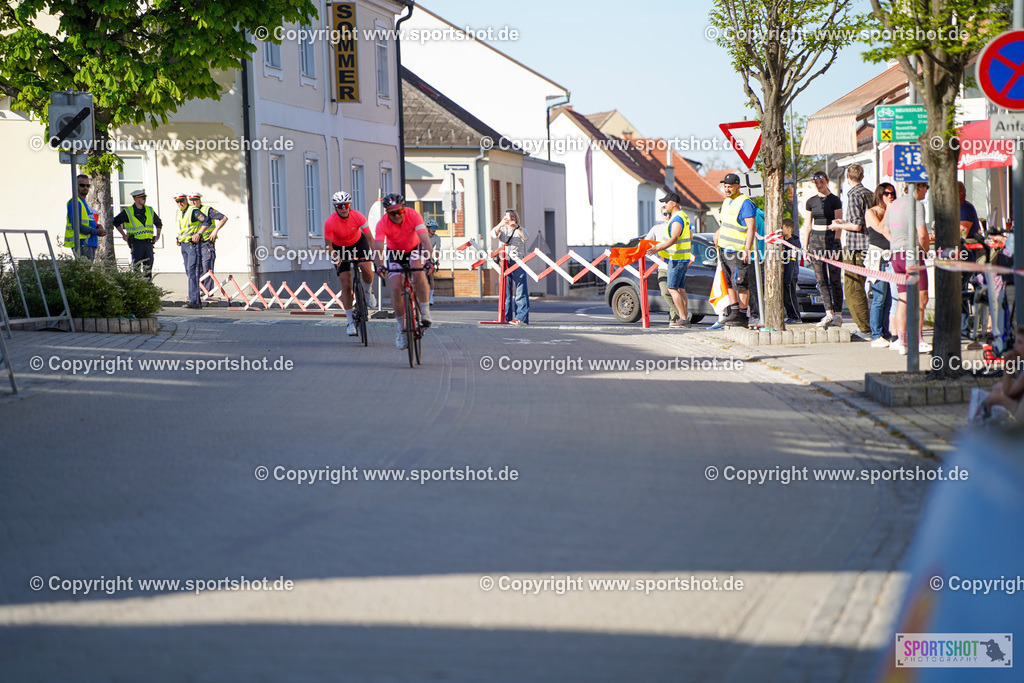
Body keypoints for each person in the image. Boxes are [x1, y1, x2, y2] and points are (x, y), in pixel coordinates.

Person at [373, 193, 434, 349]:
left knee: (418, 273)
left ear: (403, 209)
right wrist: (379, 265)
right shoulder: (382, 223)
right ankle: (401, 329)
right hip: (395, 253)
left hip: (414, 248)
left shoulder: (413, 215)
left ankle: (425, 311)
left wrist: (428, 260)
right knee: (395, 286)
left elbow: (425, 241)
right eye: (391, 213)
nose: (396, 216)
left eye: (399, 212)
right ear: (387, 212)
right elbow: (378, 248)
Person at [881, 182, 931, 355]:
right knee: (921, 298)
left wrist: (896, 242)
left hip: (896, 256)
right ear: (919, 187)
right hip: (912, 255)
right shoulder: (916, 205)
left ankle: (902, 342)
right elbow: (923, 234)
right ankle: (917, 340)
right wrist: (926, 251)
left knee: (903, 299)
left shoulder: (894, 205)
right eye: (927, 187)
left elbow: (884, 230)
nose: (927, 191)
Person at [324, 191, 376, 337]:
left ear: (349, 206)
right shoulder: (330, 222)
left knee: (366, 267)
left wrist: (375, 254)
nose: (343, 208)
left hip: (358, 243)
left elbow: (370, 239)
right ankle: (350, 322)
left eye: (346, 205)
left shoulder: (358, 216)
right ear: (336, 207)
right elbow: (328, 245)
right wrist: (335, 256)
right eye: (340, 206)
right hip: (339, 248)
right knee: (345, 284)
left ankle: (368, 291)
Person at [830, 163, 872, 337]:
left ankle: (865, 329)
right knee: (864, 287)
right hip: (870, 244)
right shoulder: (869, 193)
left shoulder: (854, 194)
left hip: (855, 247)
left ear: (848, 176)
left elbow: (856, 225)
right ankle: (872, 326)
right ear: (862, 176)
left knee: (852, 289)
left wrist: (837, 225)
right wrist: (844, 222)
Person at [802, 170, 844, 328]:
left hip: (831, 239)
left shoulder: (834, 200)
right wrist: (805, 248)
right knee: (821, 280)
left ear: (826, 181)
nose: (818, 185)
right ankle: (828, 313)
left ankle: (838, 314)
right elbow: (807, 226)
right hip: (815, 242)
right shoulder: (810, 201)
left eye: (821, 182)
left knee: (834, 279)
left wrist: (836, 244)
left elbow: (839, 224)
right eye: (816, 183)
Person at [715, 173, 757, 328]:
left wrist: (747, 248)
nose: (727, 189)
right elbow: (725, 223)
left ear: (738, 186)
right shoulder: (726, 202)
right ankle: (733, 311)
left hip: (738, 250)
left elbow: (751, 227)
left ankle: (742, 314)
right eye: (725, 186)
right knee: (729, 282)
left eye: (730, 186)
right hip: (724, 249)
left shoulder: (745, 203)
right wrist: (717, 234)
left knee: (741, 282)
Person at [646, 192, 691, 328]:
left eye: (666, 202)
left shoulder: (677, 219)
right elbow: (690, 236)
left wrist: (657, 248)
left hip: (677, 258)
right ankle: (685, 317)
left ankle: (683, 318)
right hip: (682, 258)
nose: (665, 205)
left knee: (671, 288)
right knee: (681, 289)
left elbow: (674, 239)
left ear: (674, 203)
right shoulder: (683, 216)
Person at [865, 182, 896, 347]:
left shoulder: (892, 210)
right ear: (879, 194)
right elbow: (880, 228)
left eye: (892, 193)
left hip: (892, 255)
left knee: (889, 298)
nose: (889, 196)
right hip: (877, 256)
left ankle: (885, 332)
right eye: (886, 193)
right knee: (879, 297)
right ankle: (875, 334)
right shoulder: (871, 212)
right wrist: (888, 211)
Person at [491, 208, 530, 325]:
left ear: (516, 218)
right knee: (504, 291)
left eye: (512, 217)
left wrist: (516, 227)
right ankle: (504, 317)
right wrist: (501, 224)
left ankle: (521, 318)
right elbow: (493, 234)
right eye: (507, 217)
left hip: (517, 261)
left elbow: (525, 237)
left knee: (520, 289)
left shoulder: (520, 230)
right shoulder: (502, 229)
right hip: (504, 262)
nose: (510, 219)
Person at [112, 189, 162, 279]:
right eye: (143, 197)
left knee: (148, 269)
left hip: (148, 244)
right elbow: (116, 221)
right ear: (136, 198)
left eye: (145, 197)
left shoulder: (149, 210)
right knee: (137, 269)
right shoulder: (128, 211)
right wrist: (123, 235)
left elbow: (158, 223)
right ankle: (138, 289)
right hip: (136, 243)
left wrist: (158, 235)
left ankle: (148, 290)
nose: (144, 199)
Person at [645, 206, 681, 326]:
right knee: (665, 292)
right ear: (661, 215)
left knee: (674, 291)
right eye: (665, 214)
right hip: (662, 264)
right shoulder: (657, 228)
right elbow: (646, 242)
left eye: (670, 214)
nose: (668, 216)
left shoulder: (677, 225)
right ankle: (682, 314)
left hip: (675, 262)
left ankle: (674, 319)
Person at [174, 192, 210, 309]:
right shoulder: (179, 212)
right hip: (183, 244)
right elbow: (182, 228)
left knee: (193, 272)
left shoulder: (193, 211)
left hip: (192, 245)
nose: (180, 204)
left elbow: (207, 221)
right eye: (178, 202)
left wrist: (199, 234)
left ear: (186, 200)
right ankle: (194, 299)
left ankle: (194, 301)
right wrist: (178, 238)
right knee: (189, 272)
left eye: (182, 201)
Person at [959, 181, 983, 337]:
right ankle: (962, 327)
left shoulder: (965, 209)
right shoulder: (959, 208)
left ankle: (964, 327)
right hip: (961, 254)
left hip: (965, 254)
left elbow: (962, 232)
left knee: (960, 289)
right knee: (959, 289)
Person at [188, 192, 228, 287]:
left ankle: (208, 293)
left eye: (196, 200)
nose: (193, 202)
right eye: (191, 200)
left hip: (206, 243)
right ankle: (197, 292)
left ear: (200, 200)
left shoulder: (207, 210)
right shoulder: (189, 211)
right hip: (194, 244)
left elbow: (224, 218)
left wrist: (215, 231)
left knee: (207, 267)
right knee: (196, 268)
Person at [65, 174, 106, 261]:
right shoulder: (75, 203)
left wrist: (97, 226)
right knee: (84, 270)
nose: (85, 187)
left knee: (85, 271)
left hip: (89, 242)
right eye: (82, 185)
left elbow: (87, 222)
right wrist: (96, 231)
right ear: (75, 186)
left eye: (88, 185)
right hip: (82, 243)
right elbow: (77, 226)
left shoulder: (83, 203)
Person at [781, 218, 801, 323]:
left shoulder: (793, 243)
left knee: (790, 296)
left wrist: (788, 277)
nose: (780, 230)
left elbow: (791, 262)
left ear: (789, 229)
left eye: (782, 228)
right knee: (785, 296)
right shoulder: (784, 242)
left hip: (790, 274)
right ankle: (790, 315)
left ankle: (796, 316)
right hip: (786, 274)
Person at [426, 219, 442, 305]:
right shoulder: (423, 236)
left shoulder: (437, 238)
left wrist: (437, 261)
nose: (434, 229)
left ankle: (431, 297)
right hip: (420, 255)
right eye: (432, 227)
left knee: (431, 277)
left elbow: (437, 250)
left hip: (429, 257)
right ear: (428, 228)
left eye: (435, 227)